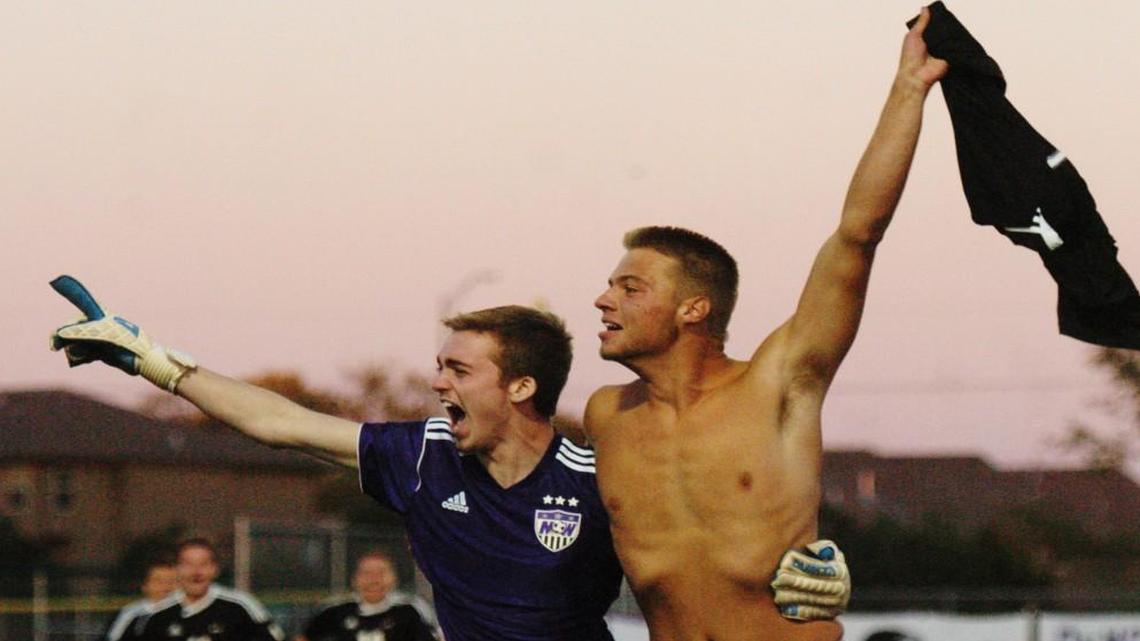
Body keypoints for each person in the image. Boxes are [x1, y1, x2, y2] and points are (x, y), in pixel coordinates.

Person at [49, 281, 849, 640]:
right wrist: (153, 361)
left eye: (458, 370)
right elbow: (279, 423)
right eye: (439, 367)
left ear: (522, 386)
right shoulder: (422, 456)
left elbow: (704, 561)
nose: (436, 382)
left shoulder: (595, 473)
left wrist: (800, 573)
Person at [583, 8, 948, 641]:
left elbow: (858, 235)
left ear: (693, 309)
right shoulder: (606, 416)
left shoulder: (778, 385)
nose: (602, 301)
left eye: (630, 288)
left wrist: (908, 90)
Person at [137, 538, 285, 641]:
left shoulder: (240, 606)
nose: (196, 572)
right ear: (176, 569)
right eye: (188, 564)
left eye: (204, 564)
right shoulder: (159, 614)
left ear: (215, 569)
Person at [296, 550, 436, 641]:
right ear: (354, 579)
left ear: (394, 578)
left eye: (381, 573)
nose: (374, 580)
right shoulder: (335, 611)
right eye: (366, 573)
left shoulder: (409, 611)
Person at [103, 557, 178, 641]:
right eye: (158, 581)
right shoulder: (130, 612)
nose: (166, 586)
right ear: (144, 585)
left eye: (172, 581)